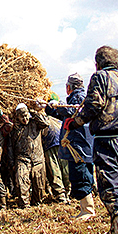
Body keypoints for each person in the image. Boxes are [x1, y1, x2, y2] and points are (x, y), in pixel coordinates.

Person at [65, 46, 118, 234]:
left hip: (107, 139)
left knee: (109, 188)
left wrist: (75, 121)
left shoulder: (99, 78)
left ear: (97, 63)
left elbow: (93, 105)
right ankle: (116, 227)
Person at [45, 73, 95, 221]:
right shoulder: (77, 98)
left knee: (81, 175)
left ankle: (88, 211)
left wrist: (58, 104)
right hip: (80, 145)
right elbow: (66, 115)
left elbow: (74, 111)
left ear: (68, 87)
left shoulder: (79, 98)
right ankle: (84, 209)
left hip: (79, 145)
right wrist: (47, 108)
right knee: (79, 175)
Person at [7, 103, 49, 209]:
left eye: (26, 115)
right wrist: (12, 163)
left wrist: (34, 112)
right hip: (22, 159)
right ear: (17, 116)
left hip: (37, 158)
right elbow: (10, 147)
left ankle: (37, 202)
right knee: (21, 182)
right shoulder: (15, 129)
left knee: (39, 184)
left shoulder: (35, 123)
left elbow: (45, 123)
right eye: (22, 116)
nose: (25, 118)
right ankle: (24, 205)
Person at [42, 115, 71, 204]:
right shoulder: (41, 117)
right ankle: (60, 195)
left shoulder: (58, 114)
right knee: (55, 172)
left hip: (62, 145)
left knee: (66, 171)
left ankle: (69, 192)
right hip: (49, 146)